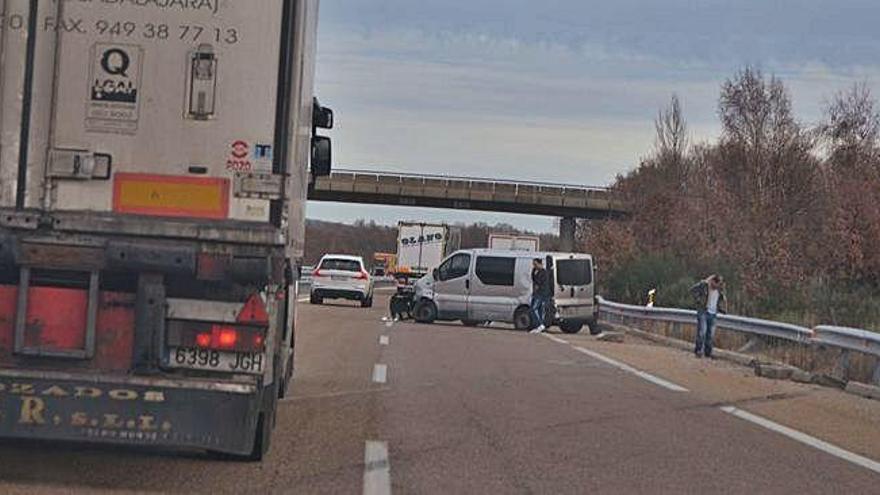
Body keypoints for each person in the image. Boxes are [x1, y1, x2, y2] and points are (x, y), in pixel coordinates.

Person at [690, 274, 726, 358]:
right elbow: (693, 290)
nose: (716, 286)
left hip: (713, 313)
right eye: (716, 284)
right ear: (713, 281)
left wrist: (722, 308)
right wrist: (698, 300)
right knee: (702, 332)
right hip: (703, 311)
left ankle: (708, 352)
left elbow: (722, 299)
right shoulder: (704, 286)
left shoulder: (720, 290)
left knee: (710, 334)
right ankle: (698, 350)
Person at [529, 258, 551, 334]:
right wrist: (533, 271)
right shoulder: (535, 271)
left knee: (534, 309)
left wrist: (536, 290)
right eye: (533, 264)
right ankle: (538, 326)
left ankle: (540, 324)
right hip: (537, 293)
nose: (534, 266)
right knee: (538, 310)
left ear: (540, 264)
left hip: (541, 294)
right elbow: (533, 279)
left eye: (535, 264)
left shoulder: (544, 272)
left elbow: (539, 283)